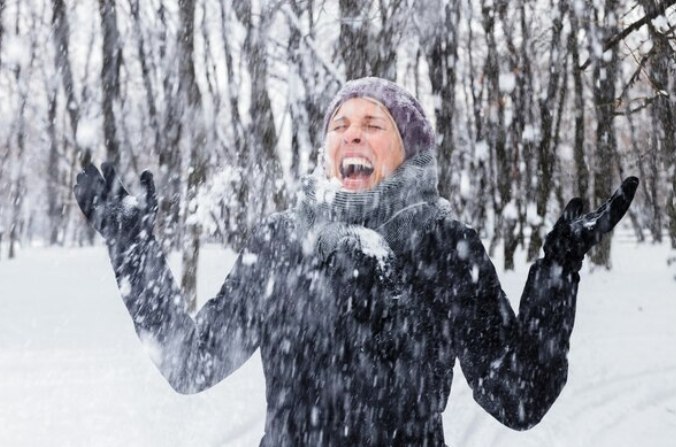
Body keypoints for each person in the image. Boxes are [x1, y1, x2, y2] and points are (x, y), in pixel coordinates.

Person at [74, 77, 638, 446]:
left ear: (407, 149)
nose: (352, 136)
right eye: (340, 127)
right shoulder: (283, 242)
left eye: (373, 125)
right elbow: (190, 362)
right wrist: (132, 247)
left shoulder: (445, 246)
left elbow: (519, 396)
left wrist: (560, 268)